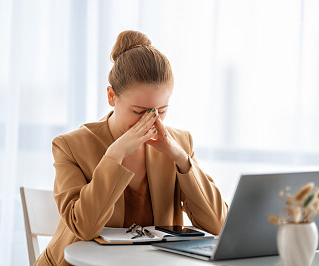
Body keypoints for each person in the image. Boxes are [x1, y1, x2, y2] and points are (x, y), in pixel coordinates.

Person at [35, 30, 228, 265]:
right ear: (111, 96)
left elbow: (218, 224)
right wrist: (115, 155)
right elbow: (83, 228)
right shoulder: (70, 146)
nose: (151, 121)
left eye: (161, 111)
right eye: (138, 112)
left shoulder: (179, 142)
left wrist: (179, 157)